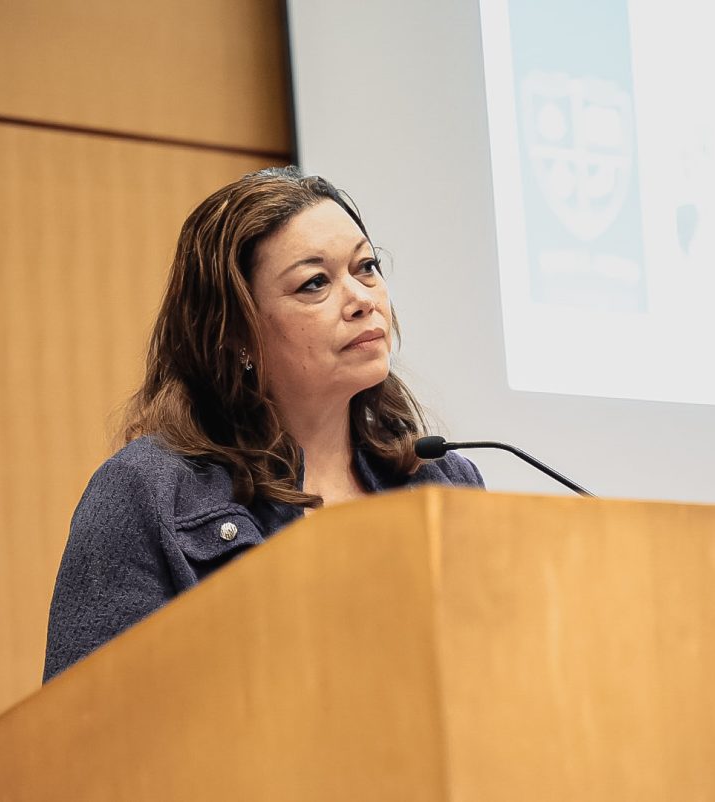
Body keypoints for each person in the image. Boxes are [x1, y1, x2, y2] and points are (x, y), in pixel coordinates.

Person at [43, 167, 484, 681]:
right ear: (237, 334)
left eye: (366, 267)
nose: (363, 298)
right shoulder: (149, 492)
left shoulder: (442, 479)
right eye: (314, 283)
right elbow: (84, 727)